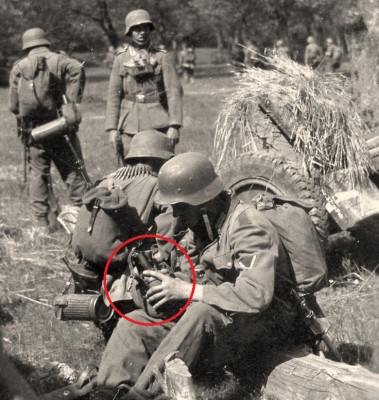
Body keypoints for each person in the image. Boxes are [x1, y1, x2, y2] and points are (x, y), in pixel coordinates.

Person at [92, 152, 298, 400]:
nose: (177, 217)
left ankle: (140, 396)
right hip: (223, 320)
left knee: (201, 313)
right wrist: (169, 279)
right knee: (134, 323)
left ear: (204, 204)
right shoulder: (203, 228)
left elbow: (256, 295)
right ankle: (105, 392)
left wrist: (186, 290)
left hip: (264, 326)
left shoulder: (248, 226)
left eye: (181, 209)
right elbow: (198, 276)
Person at [8, 28, 87, 231]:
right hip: (60, 126)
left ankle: (42, 223)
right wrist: (70, 100)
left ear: (27, 46)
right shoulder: (60, 60)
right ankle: (83, 218)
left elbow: (13, 106)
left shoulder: (19, 66)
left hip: (34, 131)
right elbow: (78, 68)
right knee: (72, 171)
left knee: (39, 174)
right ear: (46, 41)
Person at [106, 9, 183, 158]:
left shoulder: (162, 57)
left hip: (158, 122)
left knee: (160, 167)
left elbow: (174, 93)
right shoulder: (120, 59)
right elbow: (113, 96)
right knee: (130, 170)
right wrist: (112, 129)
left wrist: (174, 125)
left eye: (145, 28)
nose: (142, 33)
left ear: (150, 30)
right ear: (129, 32)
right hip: (129, 125)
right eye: (136, 29)